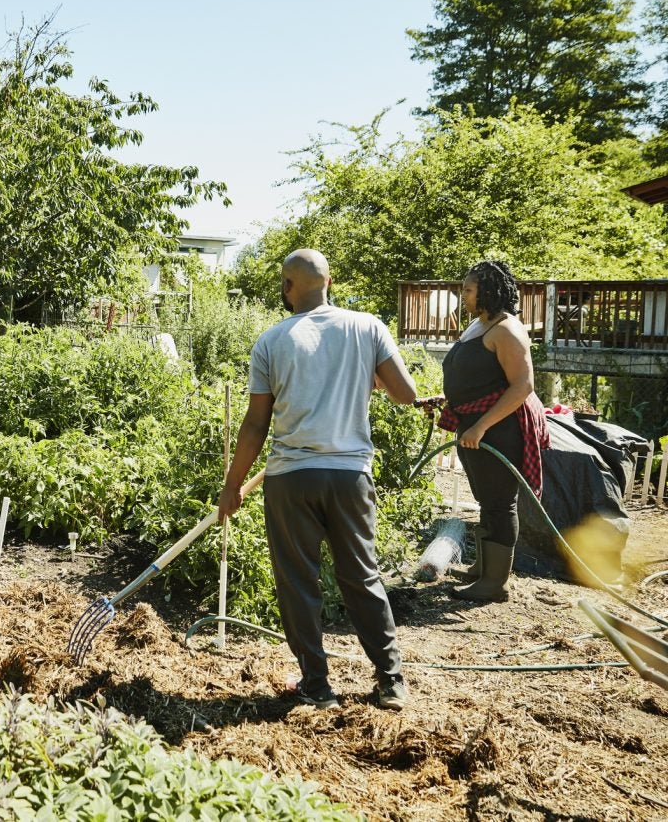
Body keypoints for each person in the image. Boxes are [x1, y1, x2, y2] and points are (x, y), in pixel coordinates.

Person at [218, 249, 417, 711]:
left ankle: (316, 684)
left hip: (291, 479)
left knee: (298, 580)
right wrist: (368, 376)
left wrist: (232, 484)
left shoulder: (272, 341)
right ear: (330, 280)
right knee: (361, 575)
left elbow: (255, 423)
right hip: (350, 477)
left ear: (289, 287)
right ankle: (390, 680)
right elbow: (405, 394)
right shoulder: (368, 327)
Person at [418, 260, 548, 603]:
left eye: (468, 289)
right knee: (487, 500)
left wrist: (480, 425)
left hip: (501, 429)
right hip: (478, 424)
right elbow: (481, 378)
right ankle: (484, 568)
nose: (463, 295)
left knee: (500, 502)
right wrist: (448, 399)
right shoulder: (482, 325)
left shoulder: (507, 330)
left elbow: (522, 386)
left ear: (489, 291)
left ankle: (495, 584)